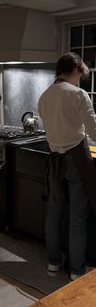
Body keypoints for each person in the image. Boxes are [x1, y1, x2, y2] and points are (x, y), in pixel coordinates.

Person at [38, 52, 96, 281]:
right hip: (76, 160)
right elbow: (93, 132)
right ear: (74, 70)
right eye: (79, 76)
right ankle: (76, 270)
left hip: (55, 161)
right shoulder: (78, 95)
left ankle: (53, 263)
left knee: (53, 212)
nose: (79, 81)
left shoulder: (44, 96)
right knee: (78, 217)